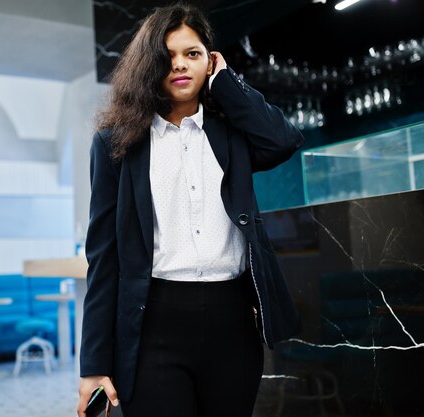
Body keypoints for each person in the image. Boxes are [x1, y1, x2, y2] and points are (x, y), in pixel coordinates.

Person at [77, 3, 304, 417]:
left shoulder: (233, 132)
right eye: (167, 56)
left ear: (209, 61)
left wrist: (227, 83)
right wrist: (93, 364)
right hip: (153, 324)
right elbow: (103, 257)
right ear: (149, 65)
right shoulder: (115, 144)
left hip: (233, 320)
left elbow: (282, 141)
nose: (180, 65)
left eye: (193, 54)